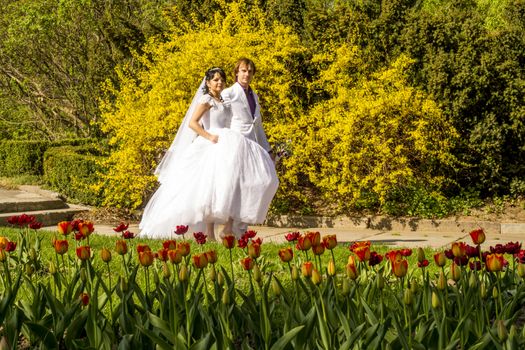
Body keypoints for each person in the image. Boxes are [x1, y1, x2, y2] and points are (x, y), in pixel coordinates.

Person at [139, 67, 278, 240]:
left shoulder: (224, 100)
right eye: (215, 80)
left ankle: (224, 228)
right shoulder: (206, 100)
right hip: (211, 143)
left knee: (222, 187)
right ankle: (210, 233)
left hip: (226, 143)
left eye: (221, 80)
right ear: (208, 82)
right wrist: (209, 136)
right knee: (207, 188)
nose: (219, 83)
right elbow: (193, 123)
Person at [221, 58, 277, 237]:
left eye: (250, 71)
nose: (247, 74)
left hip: (252, 144)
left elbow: (257, 125)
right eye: (243, 70)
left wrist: (267, 149)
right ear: (236, 72)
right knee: (237, 184)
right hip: (236, 143)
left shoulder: (254, 95)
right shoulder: (229, 93)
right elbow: (219, 115)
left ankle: (240, 225)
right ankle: (230, 227)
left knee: (263, 181)